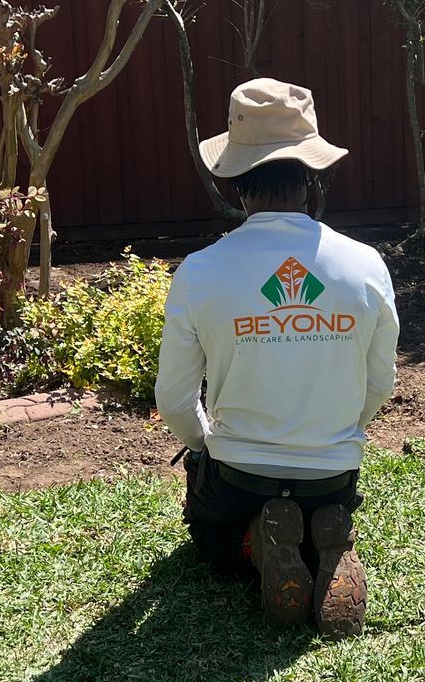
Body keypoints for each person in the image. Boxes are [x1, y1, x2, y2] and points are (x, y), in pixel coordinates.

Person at [157, 77, 400, 638]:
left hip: (240, 473)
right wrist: (342, 430)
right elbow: (380, 380)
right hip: (332, 472)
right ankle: (326, 540)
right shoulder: (365, 264)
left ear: (238, 179)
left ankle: (256, 544)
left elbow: (173, 397)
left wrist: (204, 447)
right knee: (319, 500)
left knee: (212, 538)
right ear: (311, 176)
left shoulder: (201, 270)